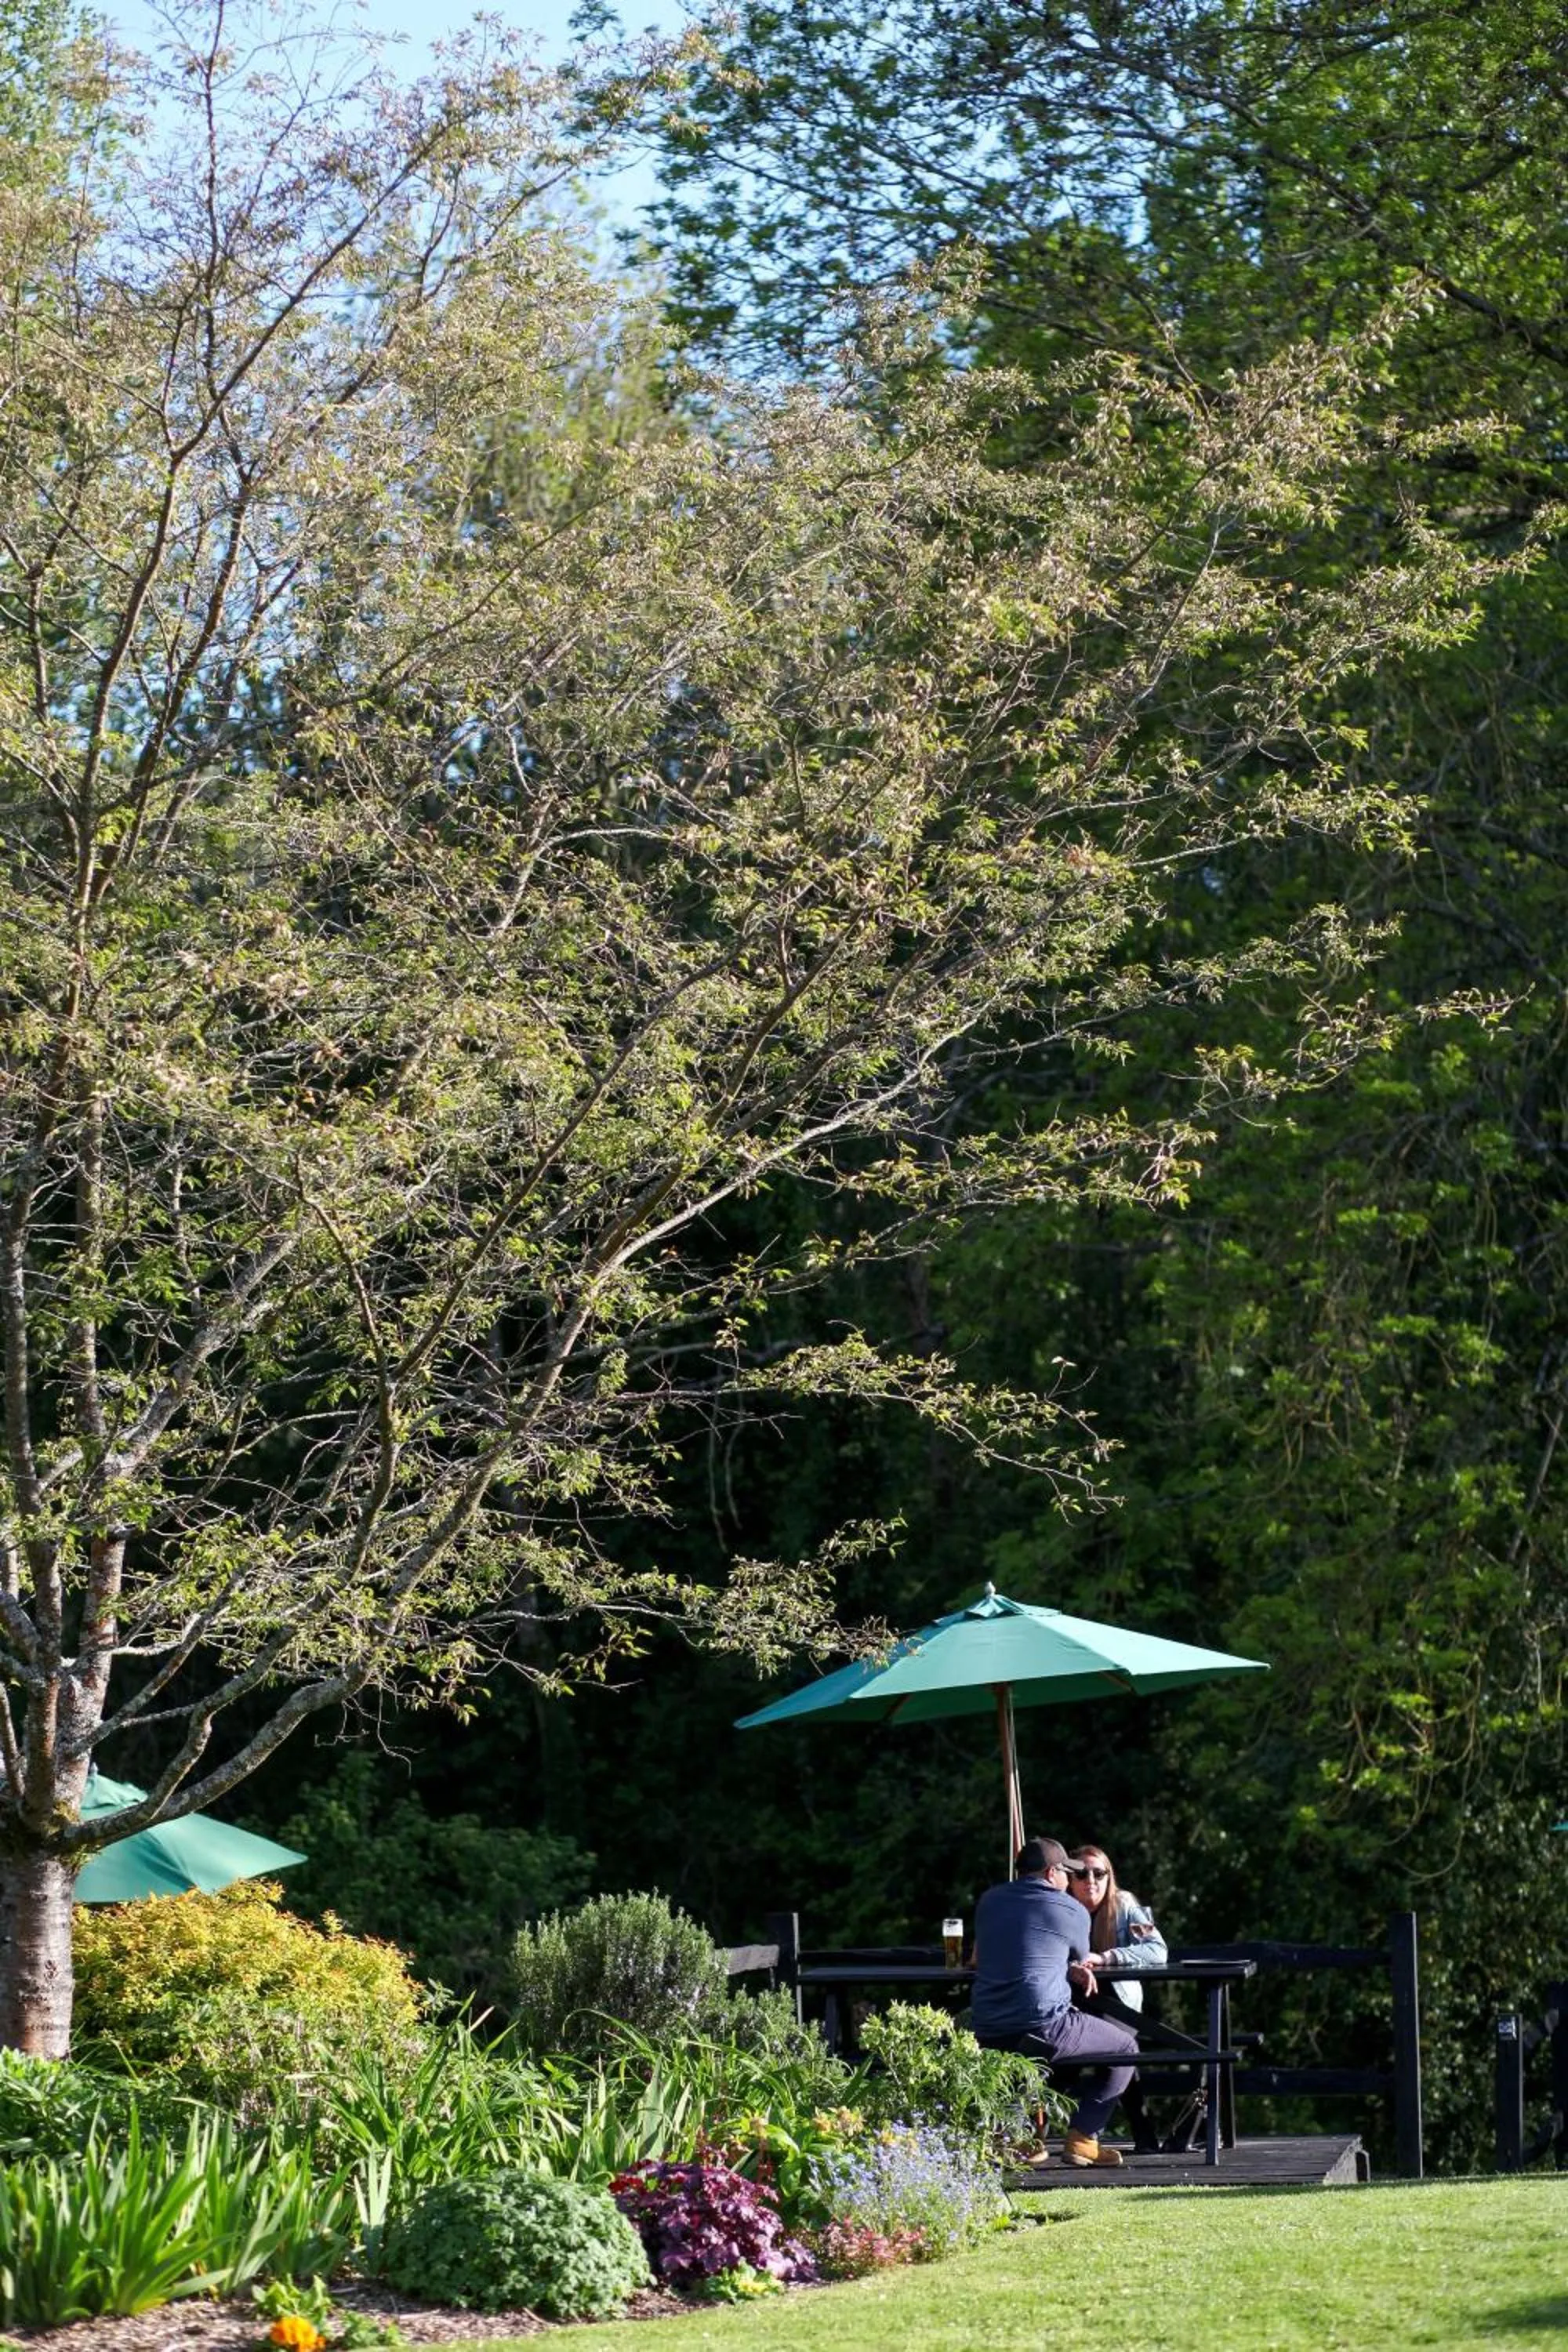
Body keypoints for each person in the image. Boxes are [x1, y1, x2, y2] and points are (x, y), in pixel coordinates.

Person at [970, 1834, 1138, 2169]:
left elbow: (981, 1957)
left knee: (1022, 2059)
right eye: (1067, 1872)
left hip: (986, 2026)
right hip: (1044, 2024)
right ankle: (1084, 2139)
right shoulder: (1071, 1909)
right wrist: (1072, 1966)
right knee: (1125, 2048)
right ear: (1051, 1873)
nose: (1071, 1879)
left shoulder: (989, 1901)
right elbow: (1079, 1954)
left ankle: (1018, 2141)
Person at [1068, 1844, 1167, 2152]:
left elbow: (1157, 1950)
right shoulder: (1060, 1908)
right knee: (1060, 2056)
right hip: (1072, 2002)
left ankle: (1085, 2133)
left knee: (1119, 2048)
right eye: (1082, 1874)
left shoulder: (1125, 1905)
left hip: (1120, 2004)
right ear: (1069, 1878)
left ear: (1109, 1876)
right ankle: (1140, 2134)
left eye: (1099, 1873)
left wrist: (1106, 1958)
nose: (1091, 1880)